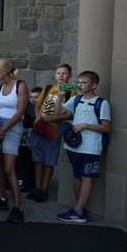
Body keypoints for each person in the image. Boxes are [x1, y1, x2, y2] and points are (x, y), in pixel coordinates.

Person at [54, 70, 111, 223]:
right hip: (73, 145)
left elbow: (106, 127)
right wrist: (59, 96)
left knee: (86, 177)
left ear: (94, 85)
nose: (80, 85)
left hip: (90, 147)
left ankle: (78, 211)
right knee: (77, 176)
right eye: (78, 82)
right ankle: (79, 209)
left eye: (83, 83)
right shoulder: (76, 99)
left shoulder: (101, 102)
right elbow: (57, 112)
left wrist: (85, 125)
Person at [0, 59, 28, 223]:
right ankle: (1, 198)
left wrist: (3, 130)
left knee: (9, 168)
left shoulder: (20, 85)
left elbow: (20, 112)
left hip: (12, 127)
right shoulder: (0, 88)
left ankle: (18, 207)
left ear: (5, 71)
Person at [27, 63, 76, 203]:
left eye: (64, 73)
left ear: (70, 75)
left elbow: (70, 114)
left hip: (53, 131)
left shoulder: (71, 90)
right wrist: (37, 116)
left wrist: (54, 118)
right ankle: (37, 187)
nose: (61, 76)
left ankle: (44, 189)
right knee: (38, 160)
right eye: (58, 73)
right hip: (40, 129)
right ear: (54, 74)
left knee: (49, 162)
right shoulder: (48, 88)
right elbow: (38, 105)